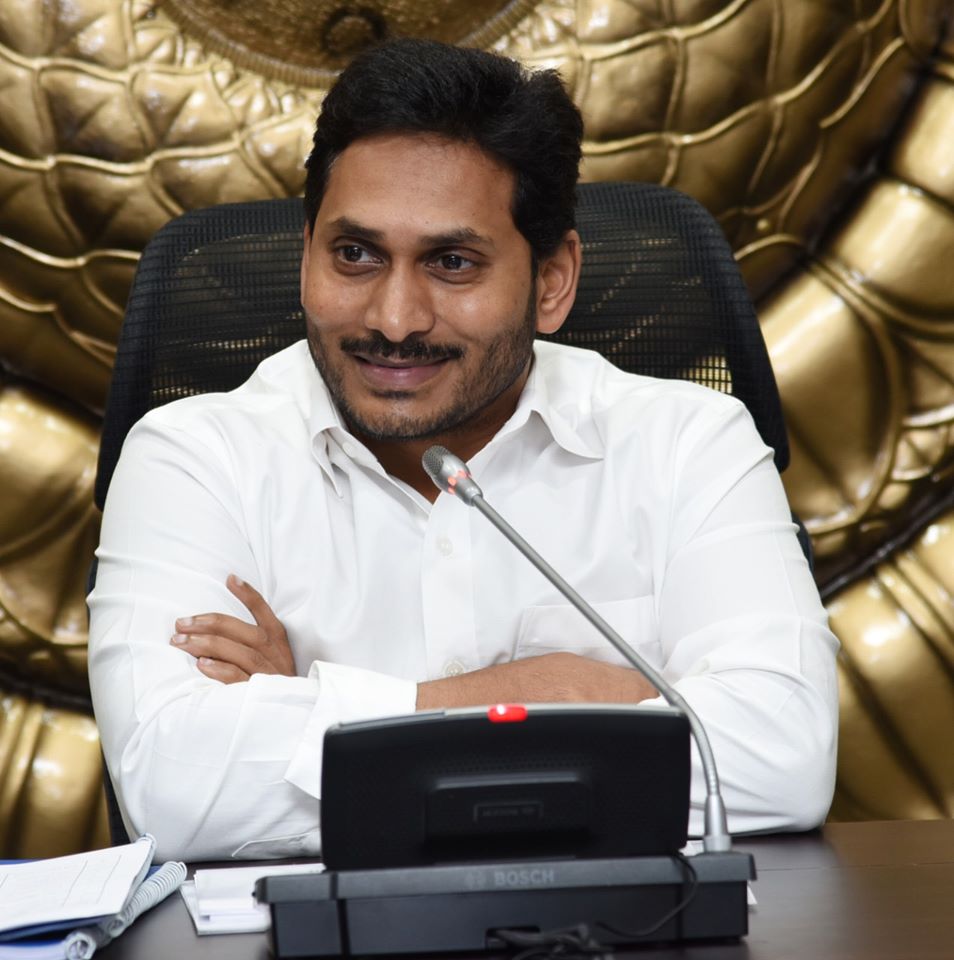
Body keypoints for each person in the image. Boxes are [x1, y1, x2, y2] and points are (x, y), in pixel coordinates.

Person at [88, 39, 838, 862]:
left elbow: (784, 758)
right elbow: (172, 789)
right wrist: (571, 694)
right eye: (356, 254)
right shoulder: (192, 458)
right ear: (305, 253)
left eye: (452, 263)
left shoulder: (692, 442)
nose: (395, 318)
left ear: (551, 282)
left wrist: (312, 705)